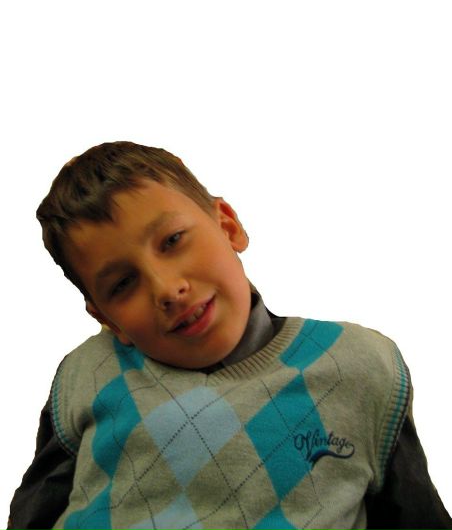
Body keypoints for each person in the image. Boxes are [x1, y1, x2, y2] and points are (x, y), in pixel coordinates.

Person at [7, 141, 452, 530]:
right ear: (107, 319)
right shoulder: (90, 372)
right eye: (123, 284)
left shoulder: (354, 366)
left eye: (172, 240)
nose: (167, 289)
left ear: (228, 225)